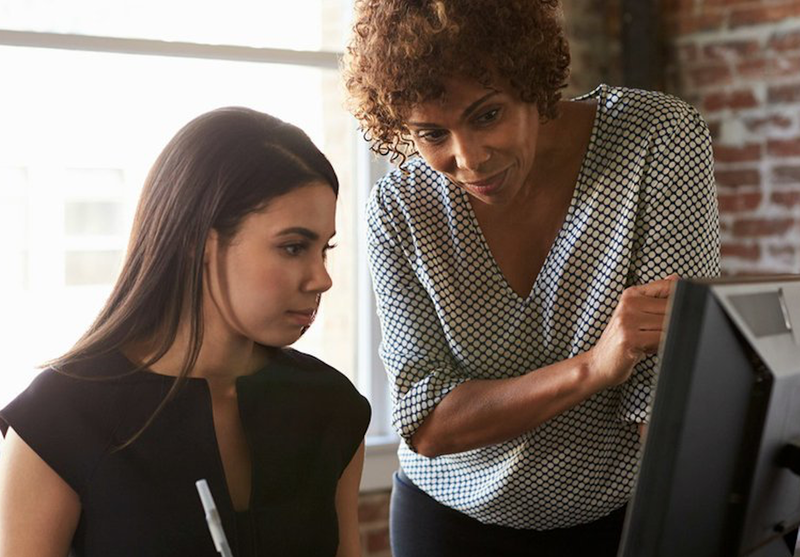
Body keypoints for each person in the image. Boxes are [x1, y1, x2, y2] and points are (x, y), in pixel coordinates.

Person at [343, 1, 719, 555]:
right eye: (431, 134)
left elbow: (665, 390)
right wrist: (592, 368)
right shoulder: (398, 210)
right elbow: (425, 422)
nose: (467, 158)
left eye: (487, 115)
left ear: (532, 79)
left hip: (616, 520)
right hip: (448, 522)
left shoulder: (654, 140)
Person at [0, 107, 371, 557]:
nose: (321, 278)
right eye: (293, 247)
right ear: (198, 241)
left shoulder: (332, 407)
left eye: (324, 249)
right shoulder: (58, 420)